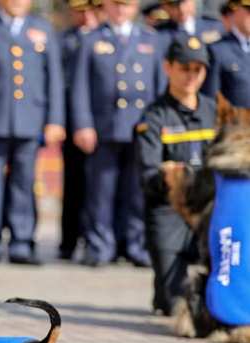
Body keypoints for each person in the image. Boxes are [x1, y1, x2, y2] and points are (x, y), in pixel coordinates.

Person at [0, 0, 65, 265]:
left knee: (24, 181)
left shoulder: (42, 28)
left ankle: (22, 241)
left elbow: (53, 79)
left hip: (30, 119)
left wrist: (55, 120)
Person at [71, 0, 166, 268]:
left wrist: (158, 126)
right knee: (101, 191)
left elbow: (159, 86)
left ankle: (135, 245)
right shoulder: (92, 39)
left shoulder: (150, 38)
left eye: (127, 4)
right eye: (116, 4)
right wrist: (83, 124)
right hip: (104, 127)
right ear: (107, 6)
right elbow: (80, 88)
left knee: (137, 192)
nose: (121, 9)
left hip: (141, 127)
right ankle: (101, 245)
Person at [135, 36, 216, 315]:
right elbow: (148, 177)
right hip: (168, 212)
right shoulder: (153, 117)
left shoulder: (215, 112)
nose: (192, 76)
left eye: (198, 69)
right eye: (185, 68)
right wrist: (171, 178)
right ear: (168, 67)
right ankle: (163, 291)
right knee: (175, 303)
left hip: (209, 210)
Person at [59, 0, 101, 261]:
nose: (86, 16)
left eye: (91, 10)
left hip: (105, 123)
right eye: (80, 11)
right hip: (74, 122)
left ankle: (97, 239)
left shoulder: (106, 38)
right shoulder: (65, 41)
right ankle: (69, 241)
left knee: (100, 188)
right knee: (74, 185)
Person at [202, 0, 250, 107]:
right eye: (248, 11)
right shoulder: (218, 50)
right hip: (236, 121)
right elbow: (209, 99)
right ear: (235, 12)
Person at [155, 0, 225, 51]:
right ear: (164, 7)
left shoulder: (215, 27)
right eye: (174, 5)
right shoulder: (159, 33)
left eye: (184, 2)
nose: (181, 9)